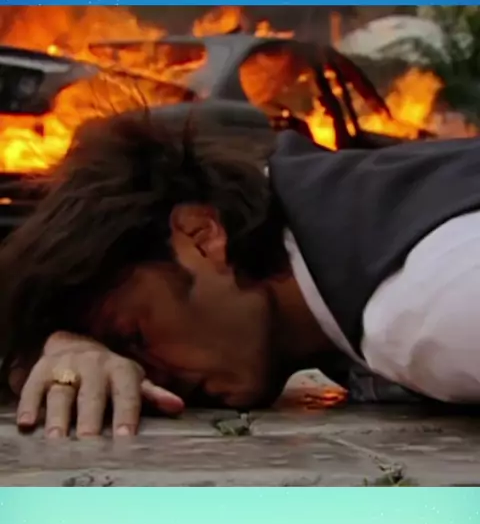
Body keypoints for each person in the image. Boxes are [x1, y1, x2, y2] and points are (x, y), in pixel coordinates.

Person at [2, 107, 480, 440]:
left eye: (134, 337)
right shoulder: (308, 201)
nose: (147, 376)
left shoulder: (432, 309)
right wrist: (64, 348)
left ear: (200, 236)